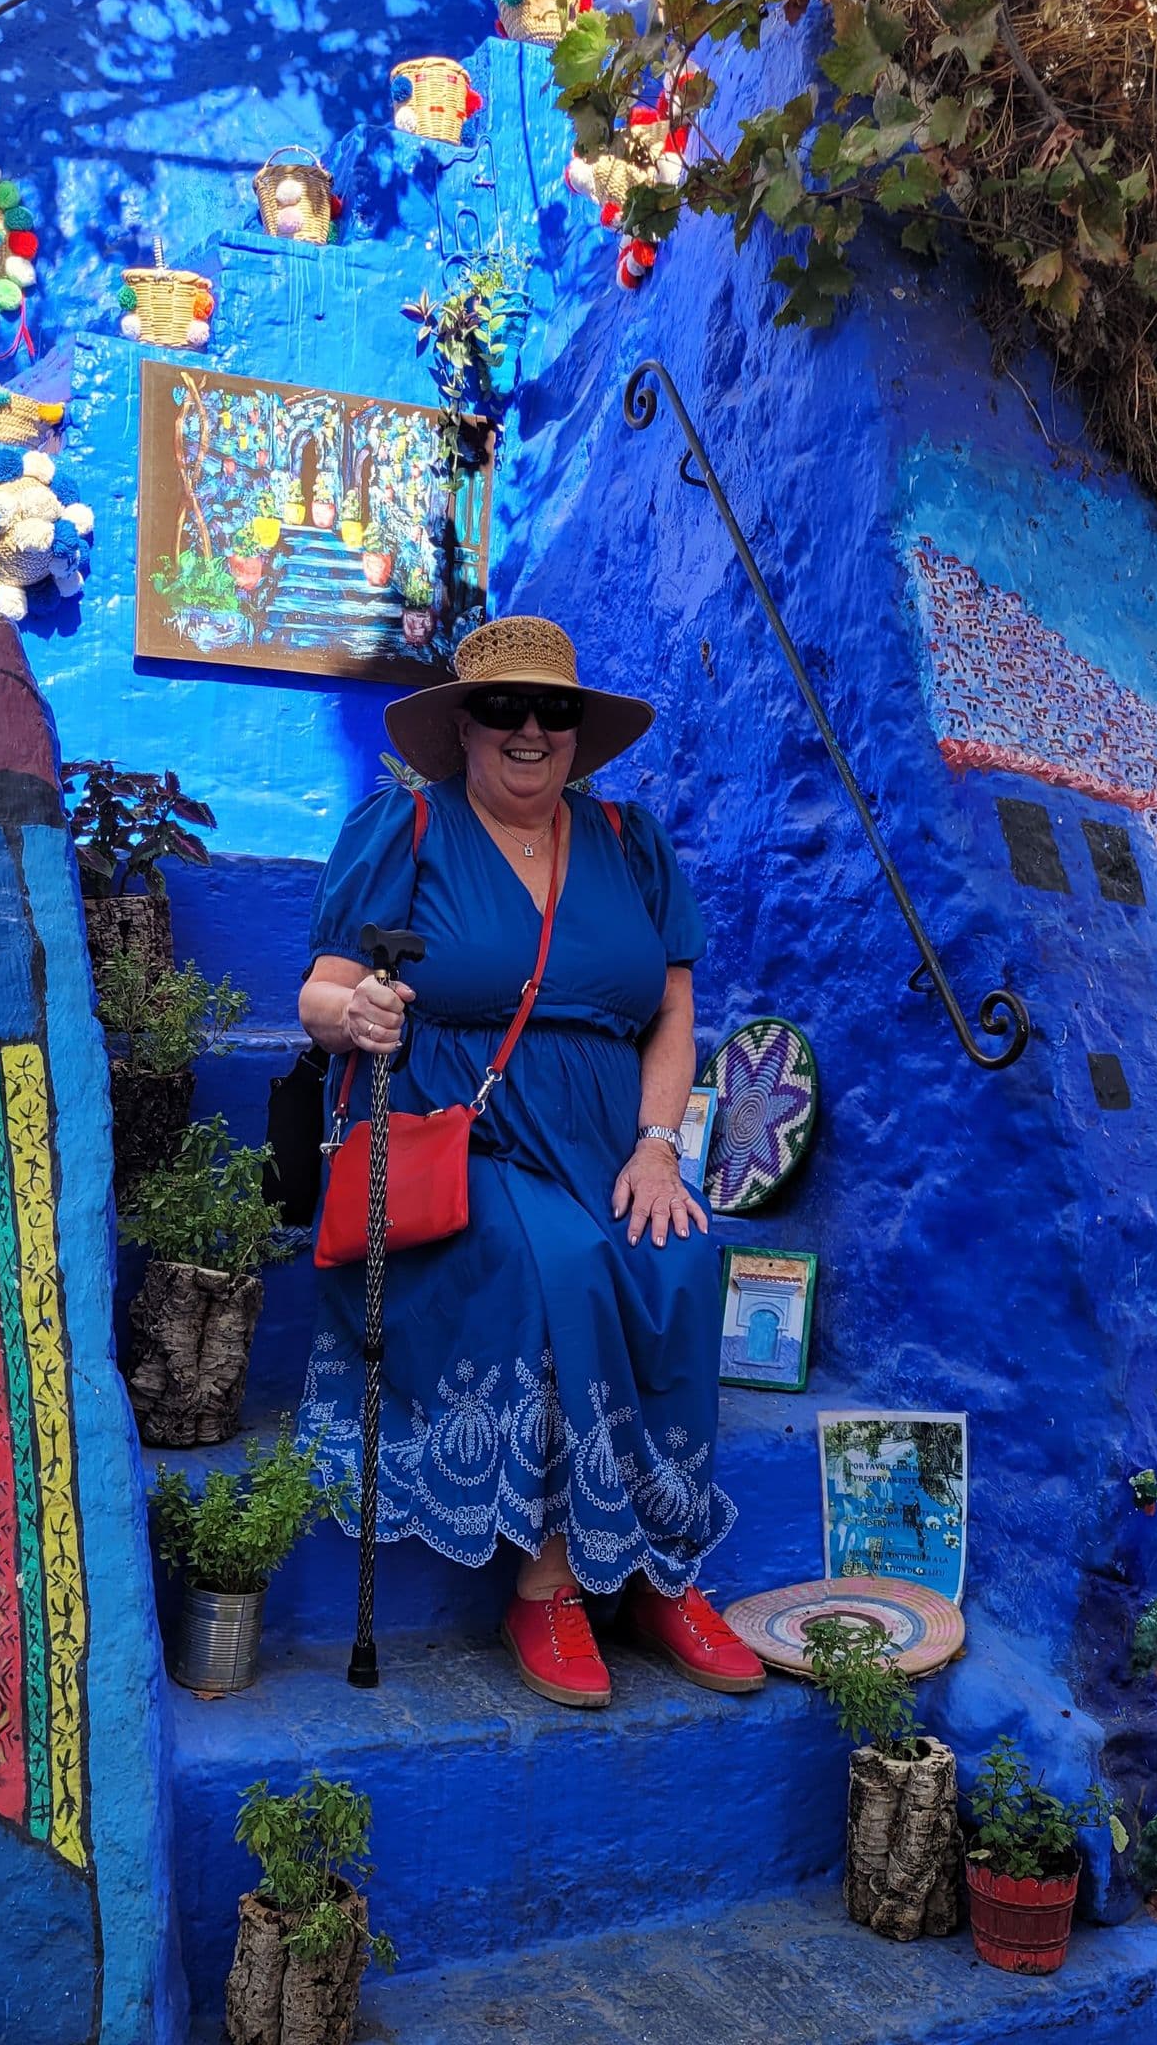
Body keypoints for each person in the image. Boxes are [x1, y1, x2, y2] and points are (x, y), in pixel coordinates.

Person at [297, 615, 764, 1708]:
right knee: (558, 1261)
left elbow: (672, 1010)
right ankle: (547, 1583)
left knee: (679, 1260)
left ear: (576, 732)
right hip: (464, 1131)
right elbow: (318, 991)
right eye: (501, 707)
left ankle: (659, 1565)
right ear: (463, 725)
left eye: (552, 710)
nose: (527, 729)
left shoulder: (628, 840)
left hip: (609, 1139)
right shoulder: (405, 827)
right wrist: (353, 1011)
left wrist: (659, 1146)